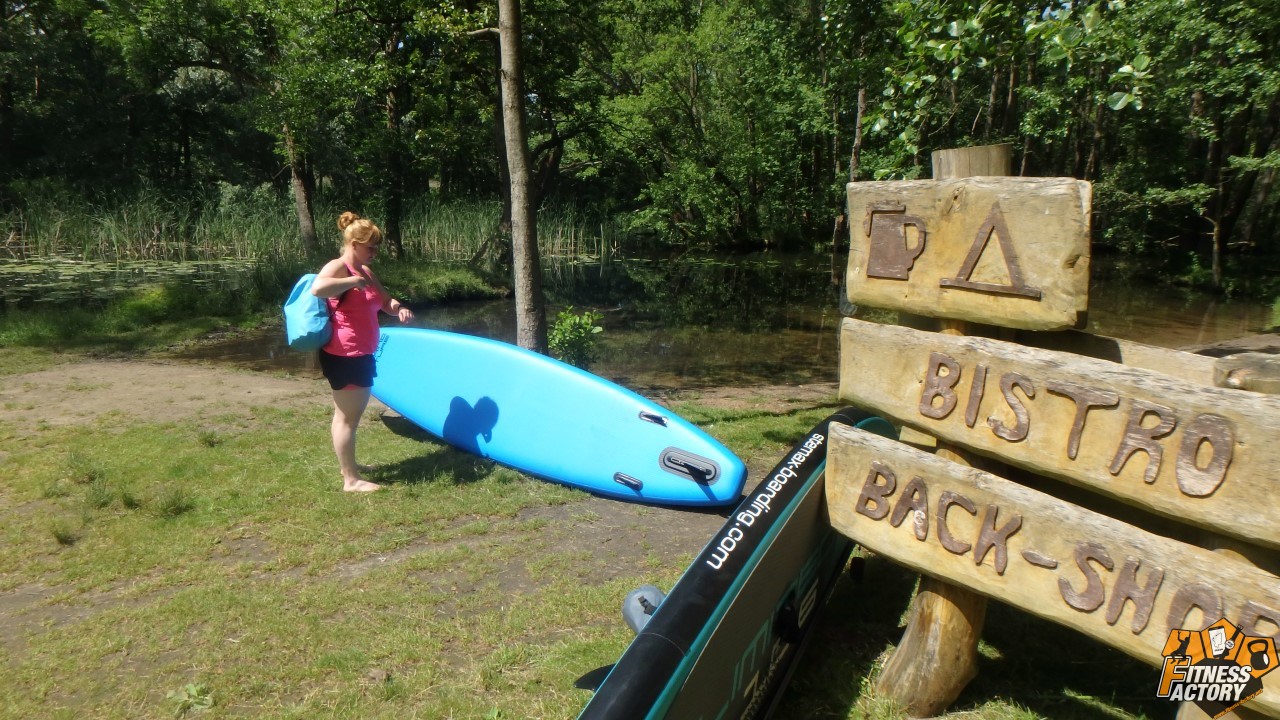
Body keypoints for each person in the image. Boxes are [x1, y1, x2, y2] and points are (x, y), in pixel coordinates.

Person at [311, 211, 415, 492]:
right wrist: (349, 282)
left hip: (360, 353)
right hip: (345, 354)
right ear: (354, 244)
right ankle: (351, 481)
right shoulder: (339, 267)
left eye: (376, 247)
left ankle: (350, 468)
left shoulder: (366, 272)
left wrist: (399, 308)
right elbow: (317, 288)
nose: (374, 253)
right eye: (371, 247)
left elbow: (384, 301)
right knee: (347, 417)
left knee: (345, 416)